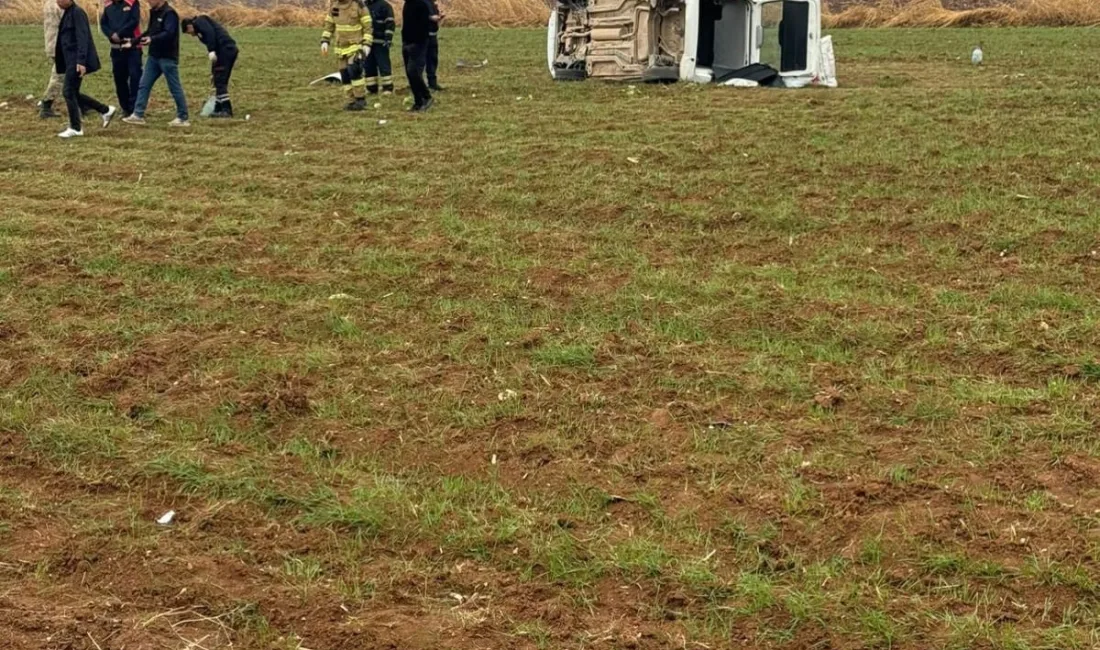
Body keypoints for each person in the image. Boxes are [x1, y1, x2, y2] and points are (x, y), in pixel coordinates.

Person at [54, 0, 117, 138]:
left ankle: (76, 128)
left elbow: (83, 37)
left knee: (68, 91)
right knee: (73, 92)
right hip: (70, 60)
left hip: (76, 61)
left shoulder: (77, 13)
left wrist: (81, 61)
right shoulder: (67, 13)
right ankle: (105, 110)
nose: (57, 2)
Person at [123, 0, 189, 127]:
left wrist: (152, 39)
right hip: (154, 57)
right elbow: (150, 31)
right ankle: (138, 114)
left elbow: (169, 33)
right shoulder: (154, 12)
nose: (148, 2)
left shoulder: (170, 14)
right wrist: (134, 42)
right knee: (144, 84)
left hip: (167, 57)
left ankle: (183, 117)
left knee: (174, 88)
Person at [320, 0, 373, 111]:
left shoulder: (359, 5)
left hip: (356, 45)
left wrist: (367, 44)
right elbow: (329, 25)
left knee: (354, 70)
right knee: (344, 74)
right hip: (341, 48)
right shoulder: (335, 6)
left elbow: (368, 26)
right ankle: (351, 100)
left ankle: (360, 99)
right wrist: (325, 40)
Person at [182, 16, 239, 118]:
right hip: (224, 51)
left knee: (220, 80)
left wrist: (211, 50)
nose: (191, 35)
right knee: (217, 79)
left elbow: (210, 34)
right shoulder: (200, 27)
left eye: (189, 32)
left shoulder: (200, 21)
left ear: (189, 26)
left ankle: (226, 109)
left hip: (225, 50)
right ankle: (218, 106)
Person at [100, 0, 142, 118]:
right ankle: (125, 108)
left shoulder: (132, 2)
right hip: (116, 48)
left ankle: (135, 107)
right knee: (119, 78)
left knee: (135, 77)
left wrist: (120, 33)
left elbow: (134, 21)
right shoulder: (108, 5)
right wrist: (111, 34)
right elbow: (104, 23)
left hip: (132, 46)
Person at [402, 0, 433, 112]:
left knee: (413, 72)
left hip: (418, 44)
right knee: (409, 74)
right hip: (407, 43)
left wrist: (416, 43)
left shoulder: (421, 4)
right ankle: (418, 102)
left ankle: (426, 96)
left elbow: (424, 27)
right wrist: (404, 42)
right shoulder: (407, 4)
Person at [38, 0, 63, 118]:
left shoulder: (49, 3)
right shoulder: (59, 4)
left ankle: (81, 103)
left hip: (52, 44)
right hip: (59, 46)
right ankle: (46, 104)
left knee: (70, 76)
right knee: (59, 76)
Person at [364, 0, 394, 95]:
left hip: (381, 42)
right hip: (366, 43)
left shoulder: (385, 6)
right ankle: (371, 88)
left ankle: (387, 88)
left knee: (383, 64)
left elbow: (390, 23)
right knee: (368, 65)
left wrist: (388, 39)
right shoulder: (363, 6)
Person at [427, 0, 444, 92]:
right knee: (420, 62)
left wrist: (439, 16)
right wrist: (430, 17)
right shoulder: (421, 3)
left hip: (433, 35)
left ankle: (432, 83)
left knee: (432, 59)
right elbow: (417, 16)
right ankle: (418, 83)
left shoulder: (433, 5)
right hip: (423, 36)